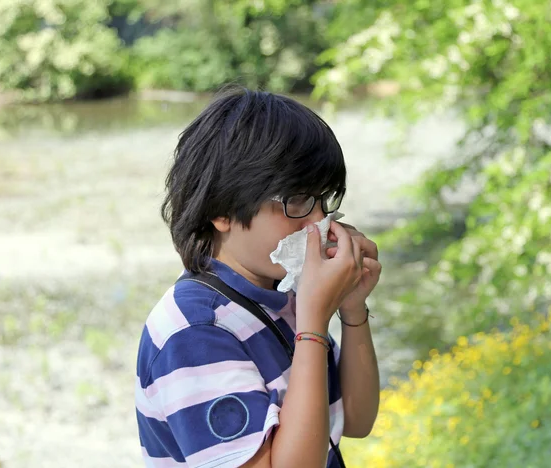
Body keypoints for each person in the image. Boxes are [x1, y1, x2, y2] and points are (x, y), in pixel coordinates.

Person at [135, 87, 381, 467]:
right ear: (223, 210)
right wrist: (314, 321)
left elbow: (356, 419)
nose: (319, 221)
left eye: (323, 199)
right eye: (296, 200)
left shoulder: (281, 295)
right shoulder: (195, 333)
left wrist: (352, 309)